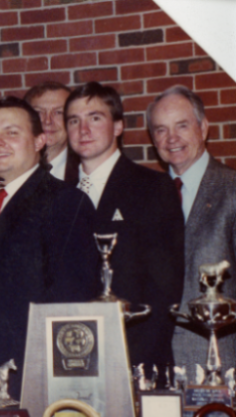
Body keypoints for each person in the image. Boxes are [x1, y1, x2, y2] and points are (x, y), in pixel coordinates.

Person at [0, 96, 99, 394]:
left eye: (11, 132)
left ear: (39, 141)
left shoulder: (65, 202)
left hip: (22, 379)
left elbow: (68, 305)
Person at [147, 84, 236, 417]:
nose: (171, 138)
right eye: (160, 130)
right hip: (165, 379)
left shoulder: (232, 189)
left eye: (182, 126)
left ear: (204, 128)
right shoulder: (151, 195)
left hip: (224, 378)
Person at [65, 81, 183, 368]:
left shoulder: (152, 188)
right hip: (72, 354)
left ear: (118, 126)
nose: (83, 130)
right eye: (74, 121)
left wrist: (136, 365)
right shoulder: (58, 195)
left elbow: (164, 291)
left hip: (134, 357)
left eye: (95, 118)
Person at [25, 81, 78, 180]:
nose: (48, 121)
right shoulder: (9, 169)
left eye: (58, 112)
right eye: (39, 112)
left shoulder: (86, 170)